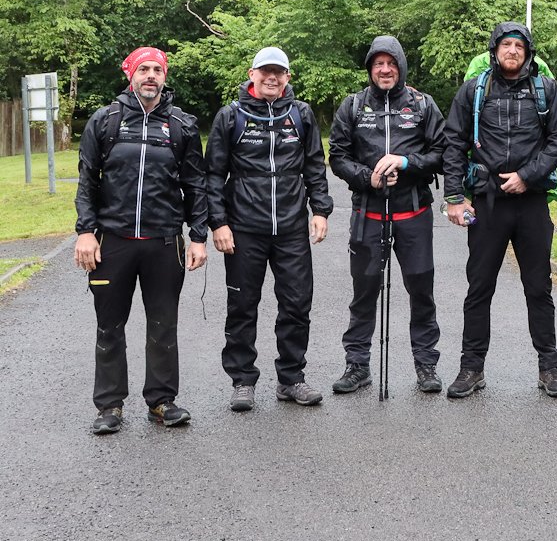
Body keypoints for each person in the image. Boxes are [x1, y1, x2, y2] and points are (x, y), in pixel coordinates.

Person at [74, 47, 208, 434]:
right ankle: (110, 405)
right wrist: (86, 231)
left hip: (164, 242)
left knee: (163, 325)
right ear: (129, 74)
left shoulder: (181, 125)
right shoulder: (106, 121)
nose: (151, 75)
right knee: (109, 326)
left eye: (157, 70)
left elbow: (195, 185)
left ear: (165, 76)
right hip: (112, 241)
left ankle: (162, 401)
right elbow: (87, 181)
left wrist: (198, 237)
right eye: (143, 69)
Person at [442, 22, 557, 398]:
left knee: (539, 288)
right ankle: (471, 368)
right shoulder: (474, 90)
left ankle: (549, 368)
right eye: (506, 45)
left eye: (519, 45)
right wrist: (454, 197)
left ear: (527, 52)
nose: (512, 50)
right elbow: (453, 141)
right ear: (494, 50)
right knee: (479, 289)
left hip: (531, 203)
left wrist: (528, 176)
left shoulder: (545, 89)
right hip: (488, 203)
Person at [206, 47, 332, 411]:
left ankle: (291, 379)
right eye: (265, 71)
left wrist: (320, 210)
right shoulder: (231, 116)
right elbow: (212, 174)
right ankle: (243, 380)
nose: (272, 77)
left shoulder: (301, 114)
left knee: (296, 304)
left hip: (291, 228)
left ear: (288, 77)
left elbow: (314, 165)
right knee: (242, 306)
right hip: (244, 228)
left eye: (279, 72)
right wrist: (219, 222)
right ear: (252, 74)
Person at [329, 36, 448, 394]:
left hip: (413, 212)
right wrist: (368, 177)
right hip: (368, 213)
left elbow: (443, 153)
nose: (385, 70)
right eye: (378, 64)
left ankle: (426, 364)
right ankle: (357, 365)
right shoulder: (353, 106)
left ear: (401, 67)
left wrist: (406, 162)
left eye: (391, 63)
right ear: (370, 68)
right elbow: (338, 157)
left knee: (421, 291)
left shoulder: (423, 105)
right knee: (364, 292)